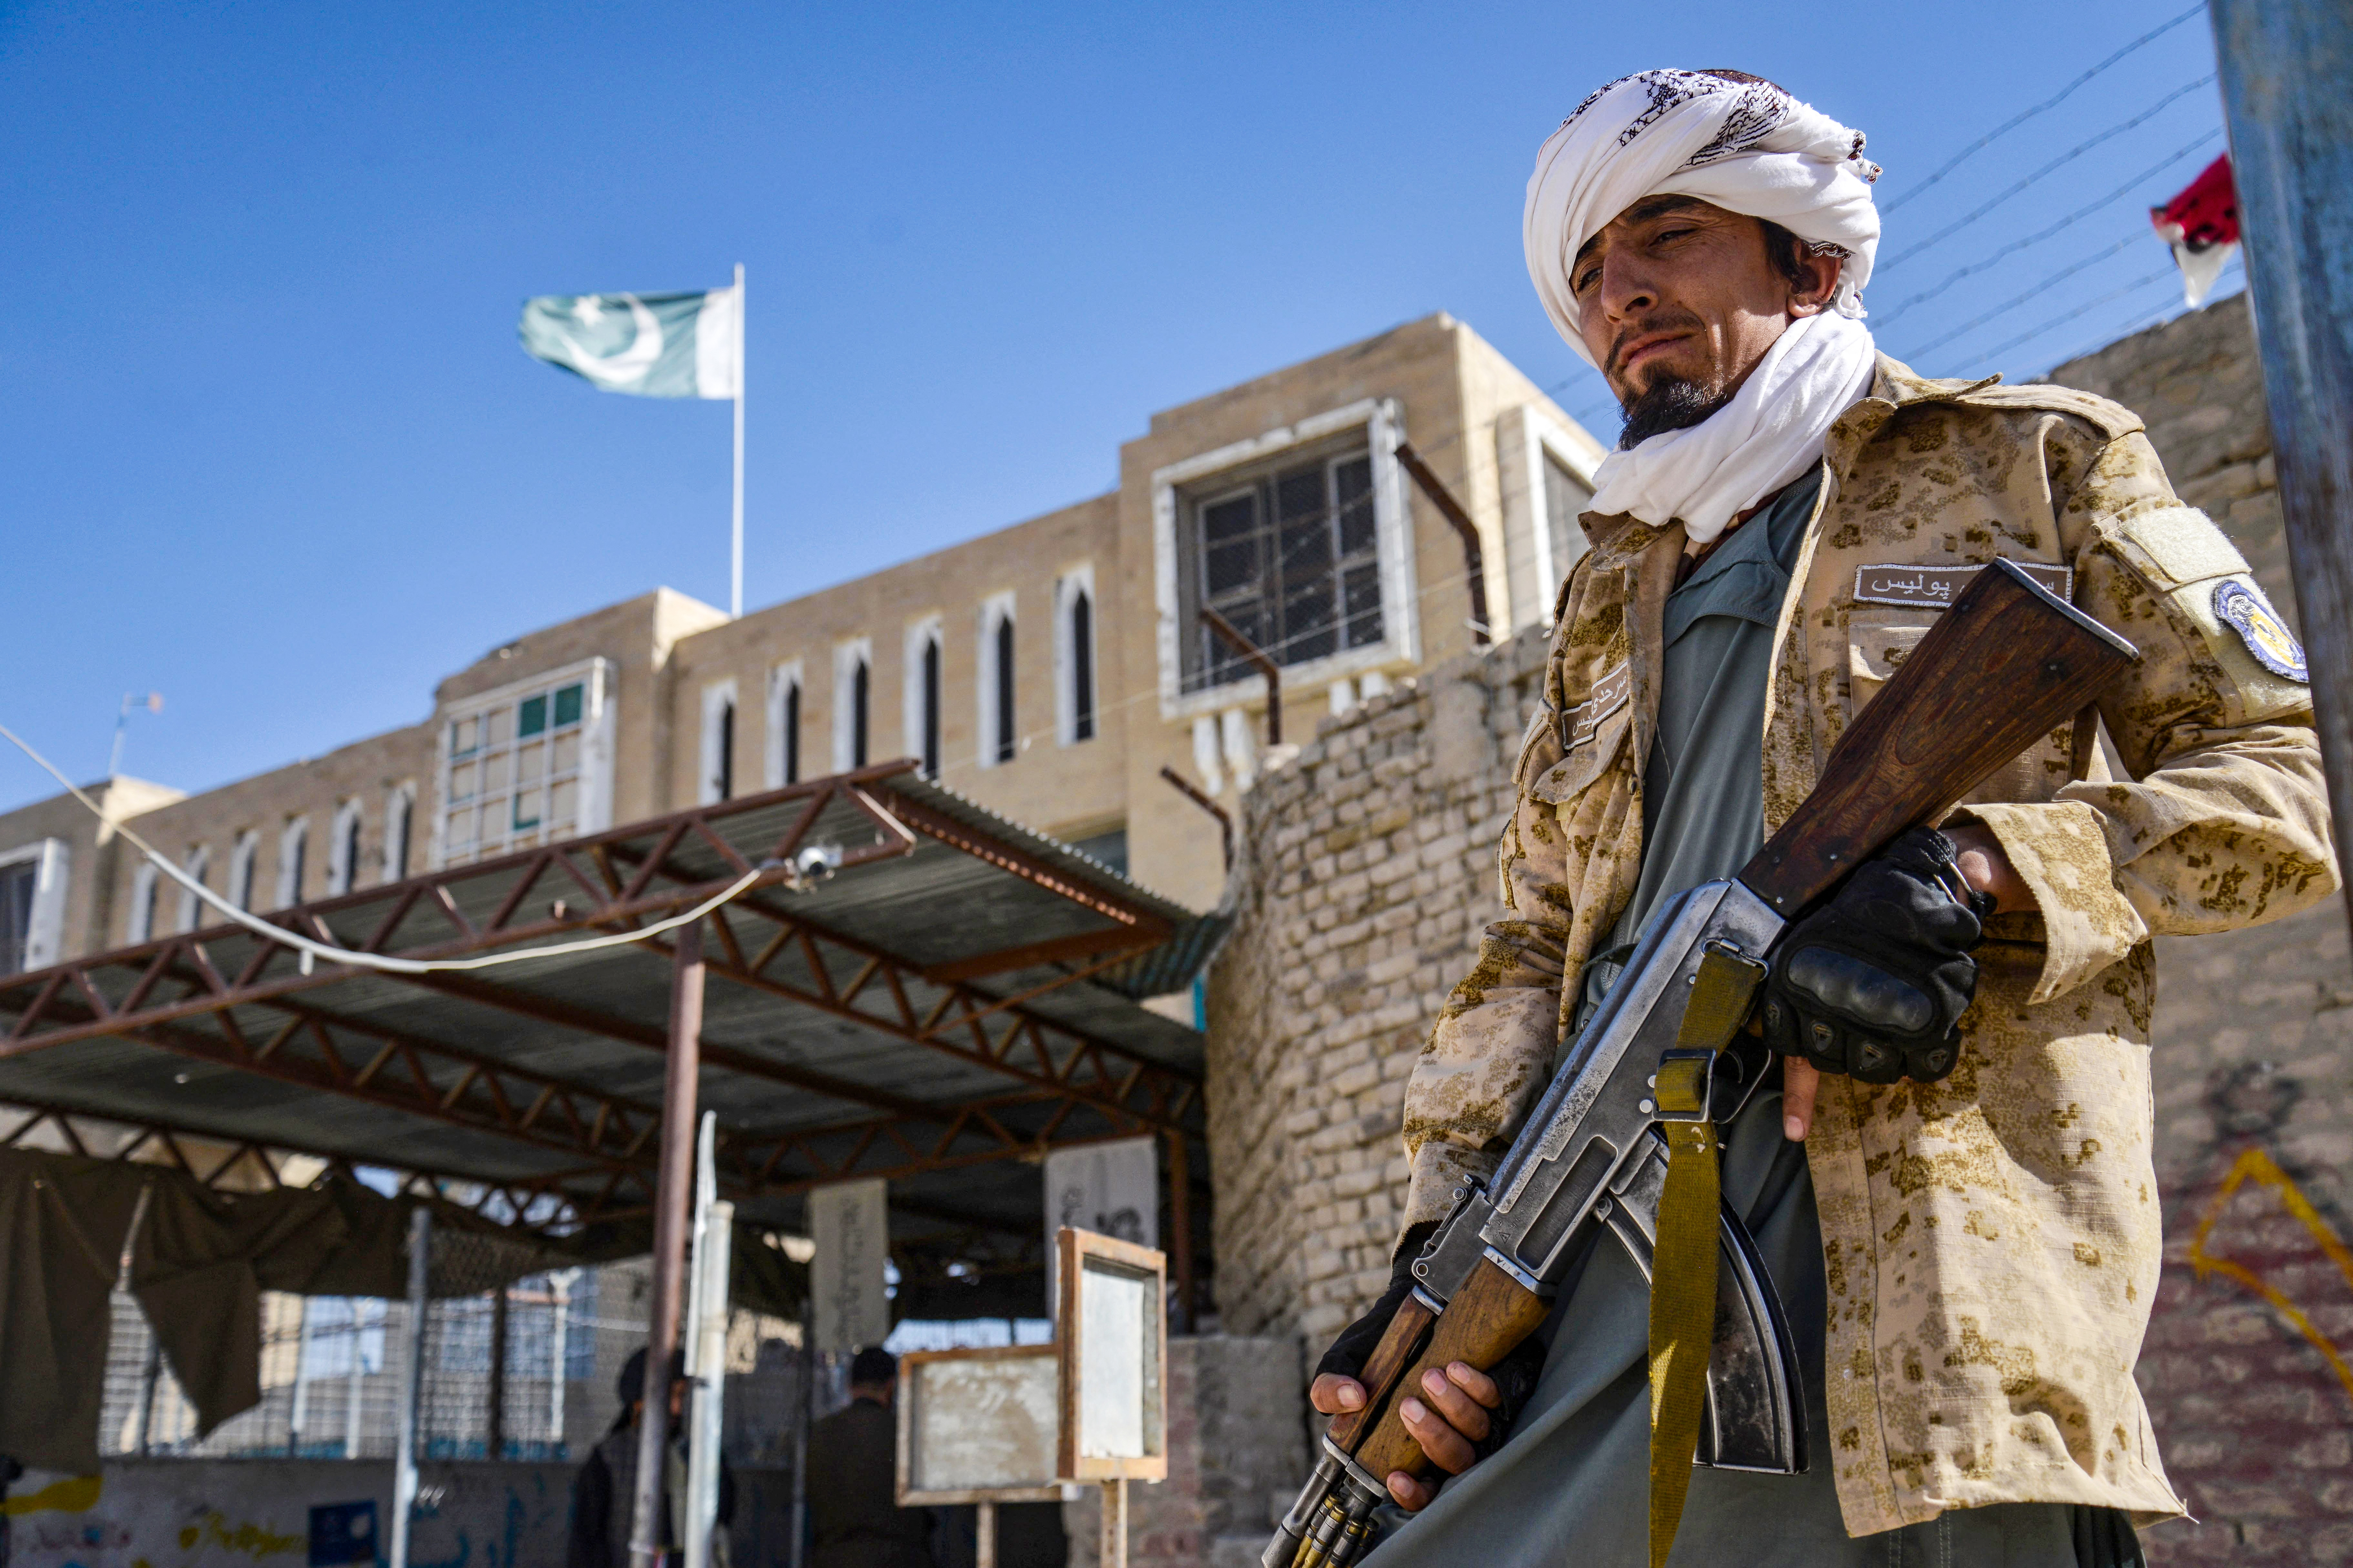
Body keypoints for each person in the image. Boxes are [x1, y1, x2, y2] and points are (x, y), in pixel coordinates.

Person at [1309, 69, 2334, 1567]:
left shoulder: (2028, 462)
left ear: (1805, 257)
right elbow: (1529, 945)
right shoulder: (1607, 593)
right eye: (1586, 271)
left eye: (1664, 234)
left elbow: (2289, 774)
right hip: (1606, 1252)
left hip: (1929, 1288)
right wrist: (1432, 1250)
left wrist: (1982, 869)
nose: (1616, 295)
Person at [568, 1348, 736, 1568]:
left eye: (681, 1396)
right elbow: (587, 1542)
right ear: (639, 1402)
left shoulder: (697, 1455)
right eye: (670, 1397)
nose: (677, 1408)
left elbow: (721, 1517)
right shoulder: (608, 1459)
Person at [806, 1346, 934, 1568]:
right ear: (891, 1386)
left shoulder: (820, 1433)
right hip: (899, 1560)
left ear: (850, 1387)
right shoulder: (906, 1433)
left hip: (833, 1559)